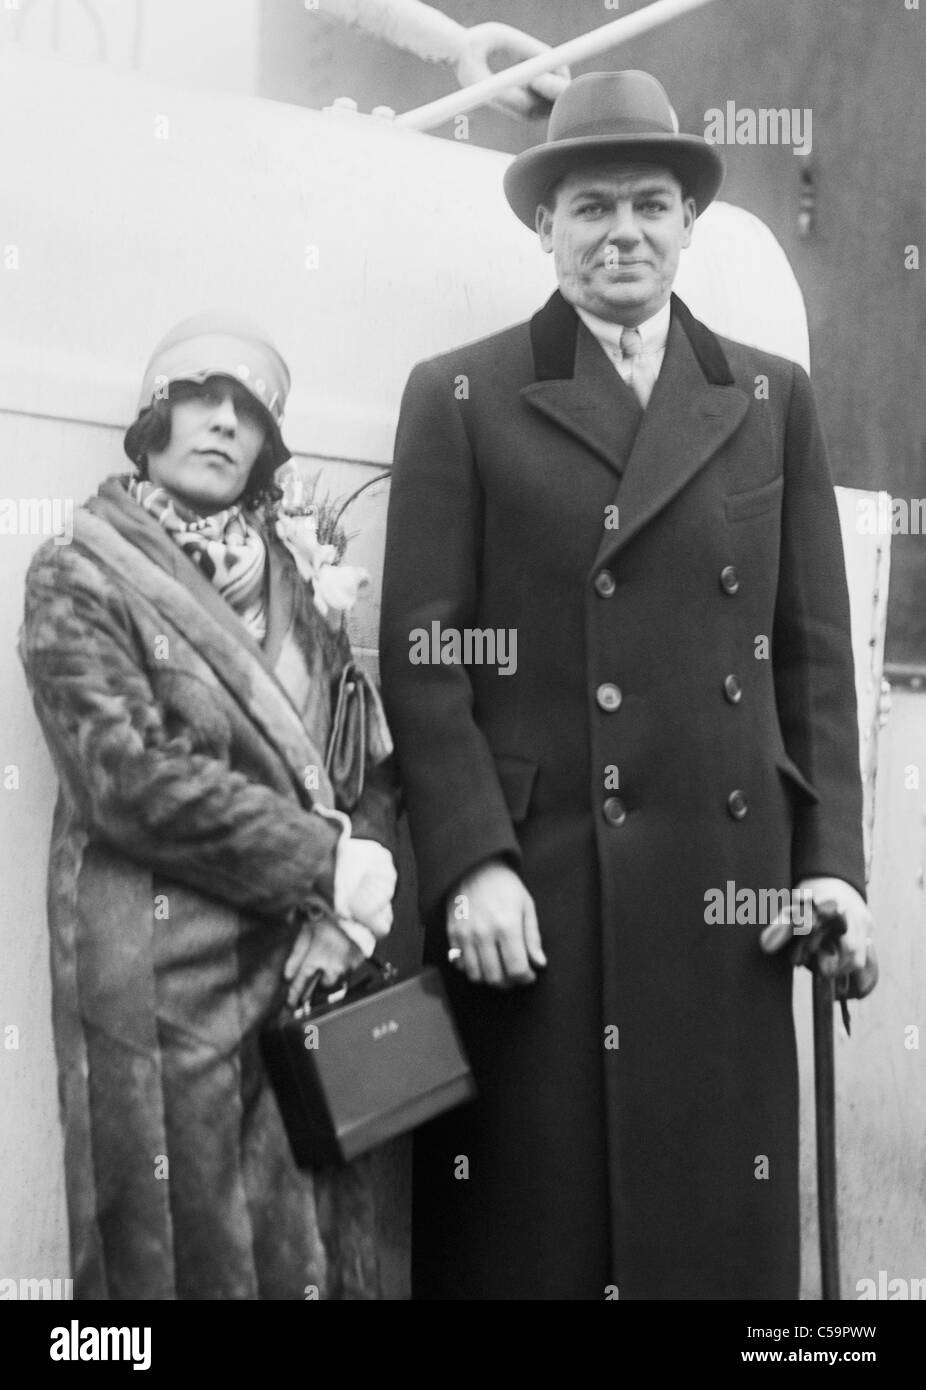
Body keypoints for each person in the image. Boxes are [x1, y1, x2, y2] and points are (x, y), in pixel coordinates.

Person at [379, 71, 874, 1300]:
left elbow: (809, 651)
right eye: (589, 207)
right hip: (541, 899)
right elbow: (426, 650)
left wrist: (831, 866)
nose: (621, 233)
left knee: (712, 1242)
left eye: (648, 205)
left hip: (729, 895)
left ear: (686, 224)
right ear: (542, 228)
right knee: (538, 1240)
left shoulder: (770, 396)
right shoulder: (463, 394)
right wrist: (471, 860)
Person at [19, 311, 397, 1300]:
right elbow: (125, 780)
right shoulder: (79, 571)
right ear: (152, 423)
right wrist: (320, 862)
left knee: (309, 1258)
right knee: (178, 1263)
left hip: (304, 971)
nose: (224, 425)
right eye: (200, 401)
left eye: (248, 413)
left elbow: (356, 762)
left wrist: (351, 918)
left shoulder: (292, 581)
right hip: (161, 979)